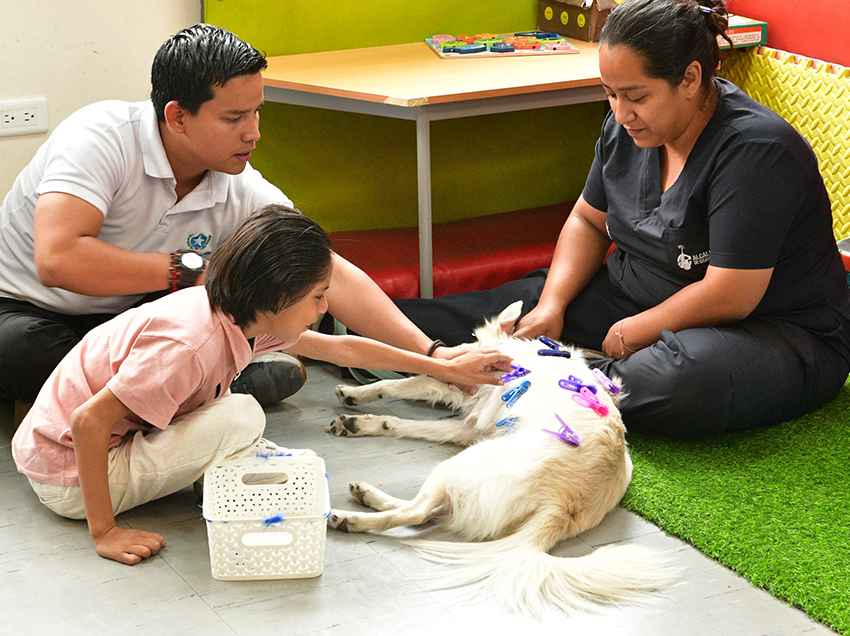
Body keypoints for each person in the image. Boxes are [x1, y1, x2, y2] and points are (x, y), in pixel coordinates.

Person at [396, 0, 850, 439]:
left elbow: (732, 292)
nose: (619, 112)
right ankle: (542, 372)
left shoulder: (756, 151)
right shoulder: (626, 127)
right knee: (491, 316)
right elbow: (588, 221)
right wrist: (552, 305)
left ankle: (549, 378)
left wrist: (635, 330)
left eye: (635, 97)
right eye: (610, 94)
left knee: (679, 382)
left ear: (691, 78)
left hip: (767, 332)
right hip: (632, 294)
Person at [0, 23, 468, 410]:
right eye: (234, 118)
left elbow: (327, 268)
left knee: (208, 319)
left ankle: (185, 390)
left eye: (257, 112)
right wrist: (192, 270)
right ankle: (213, 387)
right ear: (177, 117)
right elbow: (58, 260)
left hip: (132, 315)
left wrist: (434, 353)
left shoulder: (237, 182)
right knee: (23, 353)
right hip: (27, 308)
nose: (253, 133)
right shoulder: (99, 138)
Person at [11, 205, 512, 566]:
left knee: (233, 410)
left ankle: (216, 463)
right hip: (68, 476)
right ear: (278, 296)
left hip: (70, 448)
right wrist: (105, 532)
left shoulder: (241, 311)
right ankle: (187, 477)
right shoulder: (191, 345)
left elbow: (342, 349)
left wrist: (442, 366)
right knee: (241, 415)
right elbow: (88, 420)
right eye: (318, 297)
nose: (324, 309)